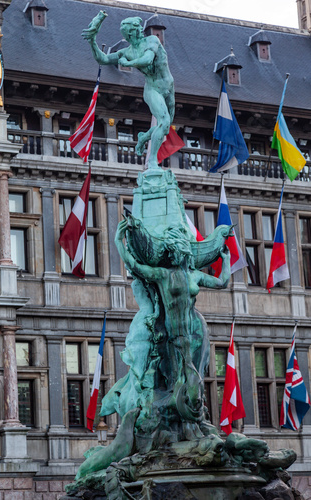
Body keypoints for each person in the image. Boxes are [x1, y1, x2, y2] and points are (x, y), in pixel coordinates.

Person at [115, 218, 231, 421]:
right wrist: (118, 240)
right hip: (172, 335)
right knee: (177, 380)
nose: (179, 255)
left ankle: (192, 419)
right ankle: (176, 419)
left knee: (194, 378)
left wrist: (226, 260)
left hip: (195, 332)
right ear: (170, 252)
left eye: (182, 251)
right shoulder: (162, 274)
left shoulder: (194, 275)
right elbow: (133, 265)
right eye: (175, 251)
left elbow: (222, 282)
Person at [82, 12, 175, 169]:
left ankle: (144, 137)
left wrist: (128, 63)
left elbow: (147, 59)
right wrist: (92, 41)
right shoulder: (127, 52)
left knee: (166, 126)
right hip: (152, 88)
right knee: (164, 122)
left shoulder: (152, 40)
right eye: (126, 34)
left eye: (129, 33)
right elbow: (102, 59)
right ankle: (152, 161)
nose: (128, 37)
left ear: (136, 31)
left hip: (169, 86)